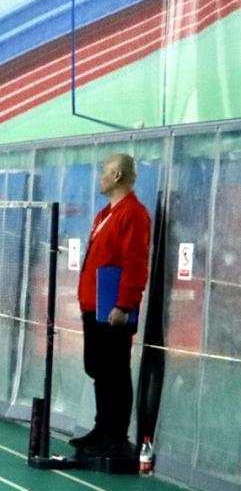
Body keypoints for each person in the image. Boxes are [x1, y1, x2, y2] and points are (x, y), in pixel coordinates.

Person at [70, 153, 151, 457]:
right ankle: (102, 428)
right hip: (94, 305)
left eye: (104, 171)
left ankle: (115, 435)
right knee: (98, 367)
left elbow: (135, 263)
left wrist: (124, 305)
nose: (100, 177)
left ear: (117, 175)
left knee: (114, 370)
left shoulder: (133, 214)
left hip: (112, 310)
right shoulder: (105, 214)